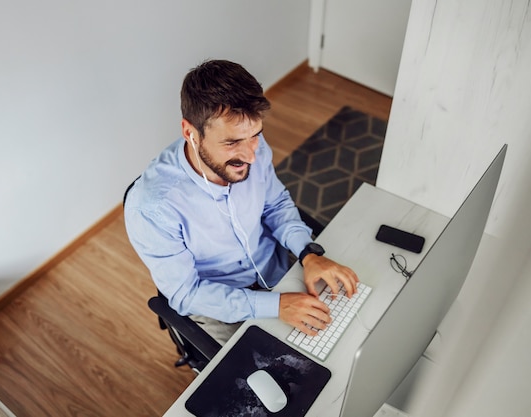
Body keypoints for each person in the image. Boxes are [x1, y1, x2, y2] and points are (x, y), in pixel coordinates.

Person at [124, 59, 359, 345]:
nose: (250, 155)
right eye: (232, 142)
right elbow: (187, 293)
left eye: (255, 135)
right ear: (190, 133)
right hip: (219, 306)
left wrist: (309, 254)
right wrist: (277, 306)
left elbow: (276, 206)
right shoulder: (152, 207)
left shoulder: (252, 149)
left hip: (276, 271)